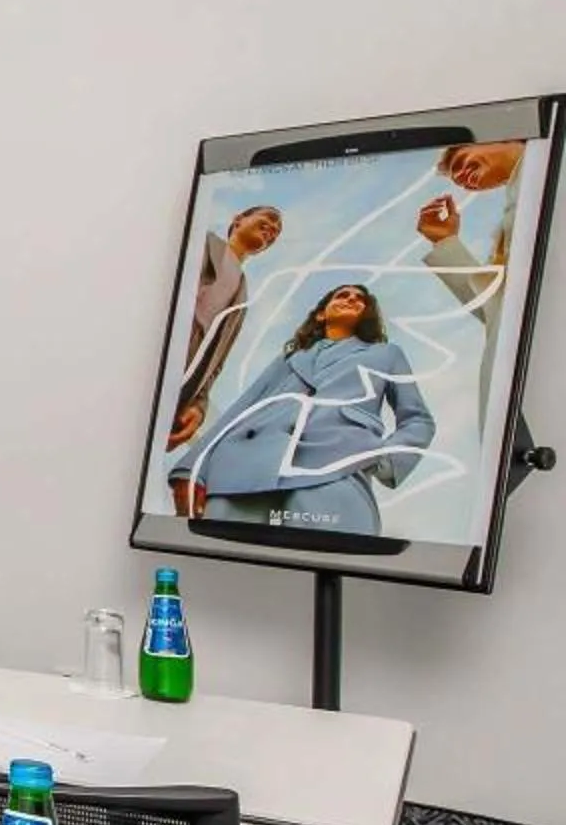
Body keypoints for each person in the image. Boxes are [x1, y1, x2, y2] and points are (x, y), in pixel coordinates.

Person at [170, 283, 433, 535]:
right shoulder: (290, 358)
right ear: (321, 314)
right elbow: (242, 409)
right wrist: (190, 469)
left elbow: (418, 419)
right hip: (243, 471)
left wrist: (382, 459)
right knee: (227, 571)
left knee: (334, 567)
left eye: (360, 299)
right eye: (342, 295)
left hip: (334, 469)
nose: (352, 299)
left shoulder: (386, 355)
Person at [166, 203, 284, 449]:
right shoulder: (200, 242)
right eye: (269, 219)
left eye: (276, 232)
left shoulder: (242, 294)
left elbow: (217, 362)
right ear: (238, 219)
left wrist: (199, 405)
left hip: (185, 376)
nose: (272, 228)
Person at [417, 138, 527, 376]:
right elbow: (494, 309)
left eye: (461, 162)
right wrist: (444, 242)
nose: (463, 178)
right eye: (458, 180)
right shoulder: (513, 207)